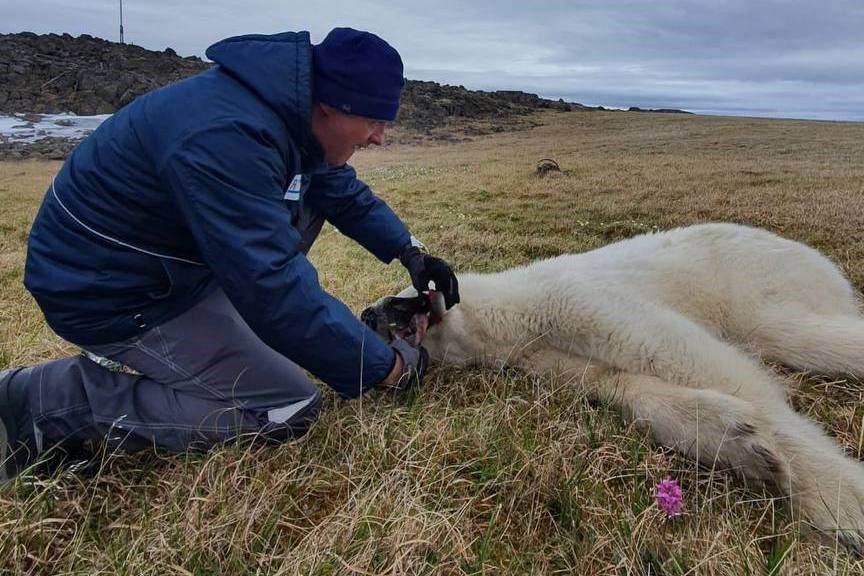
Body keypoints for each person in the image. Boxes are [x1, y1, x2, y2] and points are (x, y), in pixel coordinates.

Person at [0, 27, 460, 482]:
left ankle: (195, 350)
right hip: (107, 289)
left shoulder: (287, 116)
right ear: (330, 106)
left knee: (286, 338)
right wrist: (389, 368)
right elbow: (272, 287)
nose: (379, 137)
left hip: (166, 269)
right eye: (374, 122)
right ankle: (47, 403)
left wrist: (411, 252)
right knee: (286, 404)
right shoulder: (229, 136)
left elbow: (341, 193)